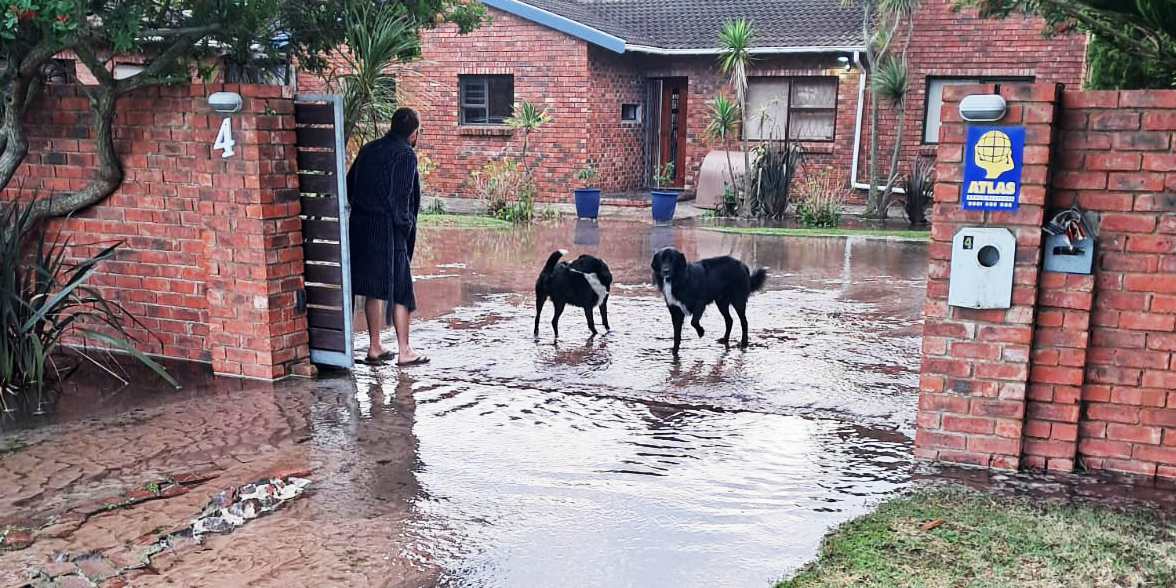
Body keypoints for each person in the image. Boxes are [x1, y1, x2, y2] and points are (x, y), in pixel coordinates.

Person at [346, 108, 429, 366]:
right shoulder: (406, 155)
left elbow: (350, 184)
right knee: (401, 290)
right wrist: (404, 229)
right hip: (389, 232)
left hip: (361, 228)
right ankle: (405, 351)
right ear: (414, 133)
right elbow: (400, 200)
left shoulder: (369, 148)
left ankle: (375, 347)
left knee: (373, 287)